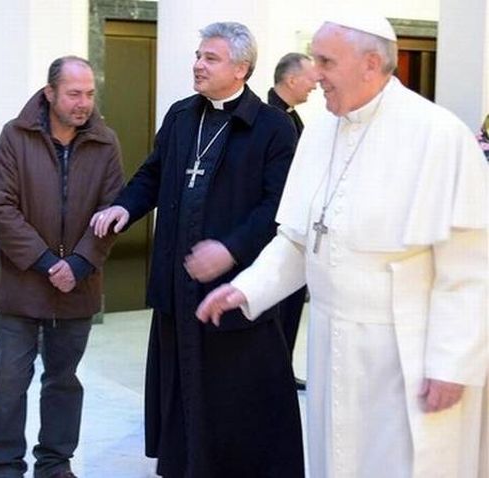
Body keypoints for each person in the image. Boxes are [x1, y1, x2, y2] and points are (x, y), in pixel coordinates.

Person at [197, 15, 487, 477]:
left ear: (371, 64)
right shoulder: (319, 132)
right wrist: (247, 288)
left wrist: (452, 363)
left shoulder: (438, 136)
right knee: (338, 460)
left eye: (326, 61)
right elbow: (297, 238)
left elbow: (470, 269)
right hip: (331, 341)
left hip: (404, 352)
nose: (315, 74)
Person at [92, 22, 303, 477]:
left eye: (210, 58)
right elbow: (152, 174)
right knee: (181, 389)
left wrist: (231, 249)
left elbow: (277, 207)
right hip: (177, 284)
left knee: (231, 398)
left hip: (236, 290)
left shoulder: (271, 128)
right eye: (198, 55)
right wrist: (124, 209)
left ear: (241, 69)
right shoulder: (182, 116)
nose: (197, 64)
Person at [0, 56, 124, 478]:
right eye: (74, 94)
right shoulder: (15, 135)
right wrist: (47, 262)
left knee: (63, 383)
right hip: (22, 285)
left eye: (89, 94)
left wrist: (79, 262)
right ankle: (6, 466)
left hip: (78, 286)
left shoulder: (106, 142)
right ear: (50, 94)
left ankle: (55, 465)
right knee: (8, 386)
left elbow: (113, 209)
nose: (83, 103)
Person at [268, 51, 318, 390]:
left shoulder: (291, 116)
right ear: (291, 79)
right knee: (277, 307)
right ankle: (273, 371)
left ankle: (281, 367)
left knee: (291, 308)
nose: (315, 83)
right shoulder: (272, 118)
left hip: (296, 225)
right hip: (278, 229)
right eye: (310, 77)